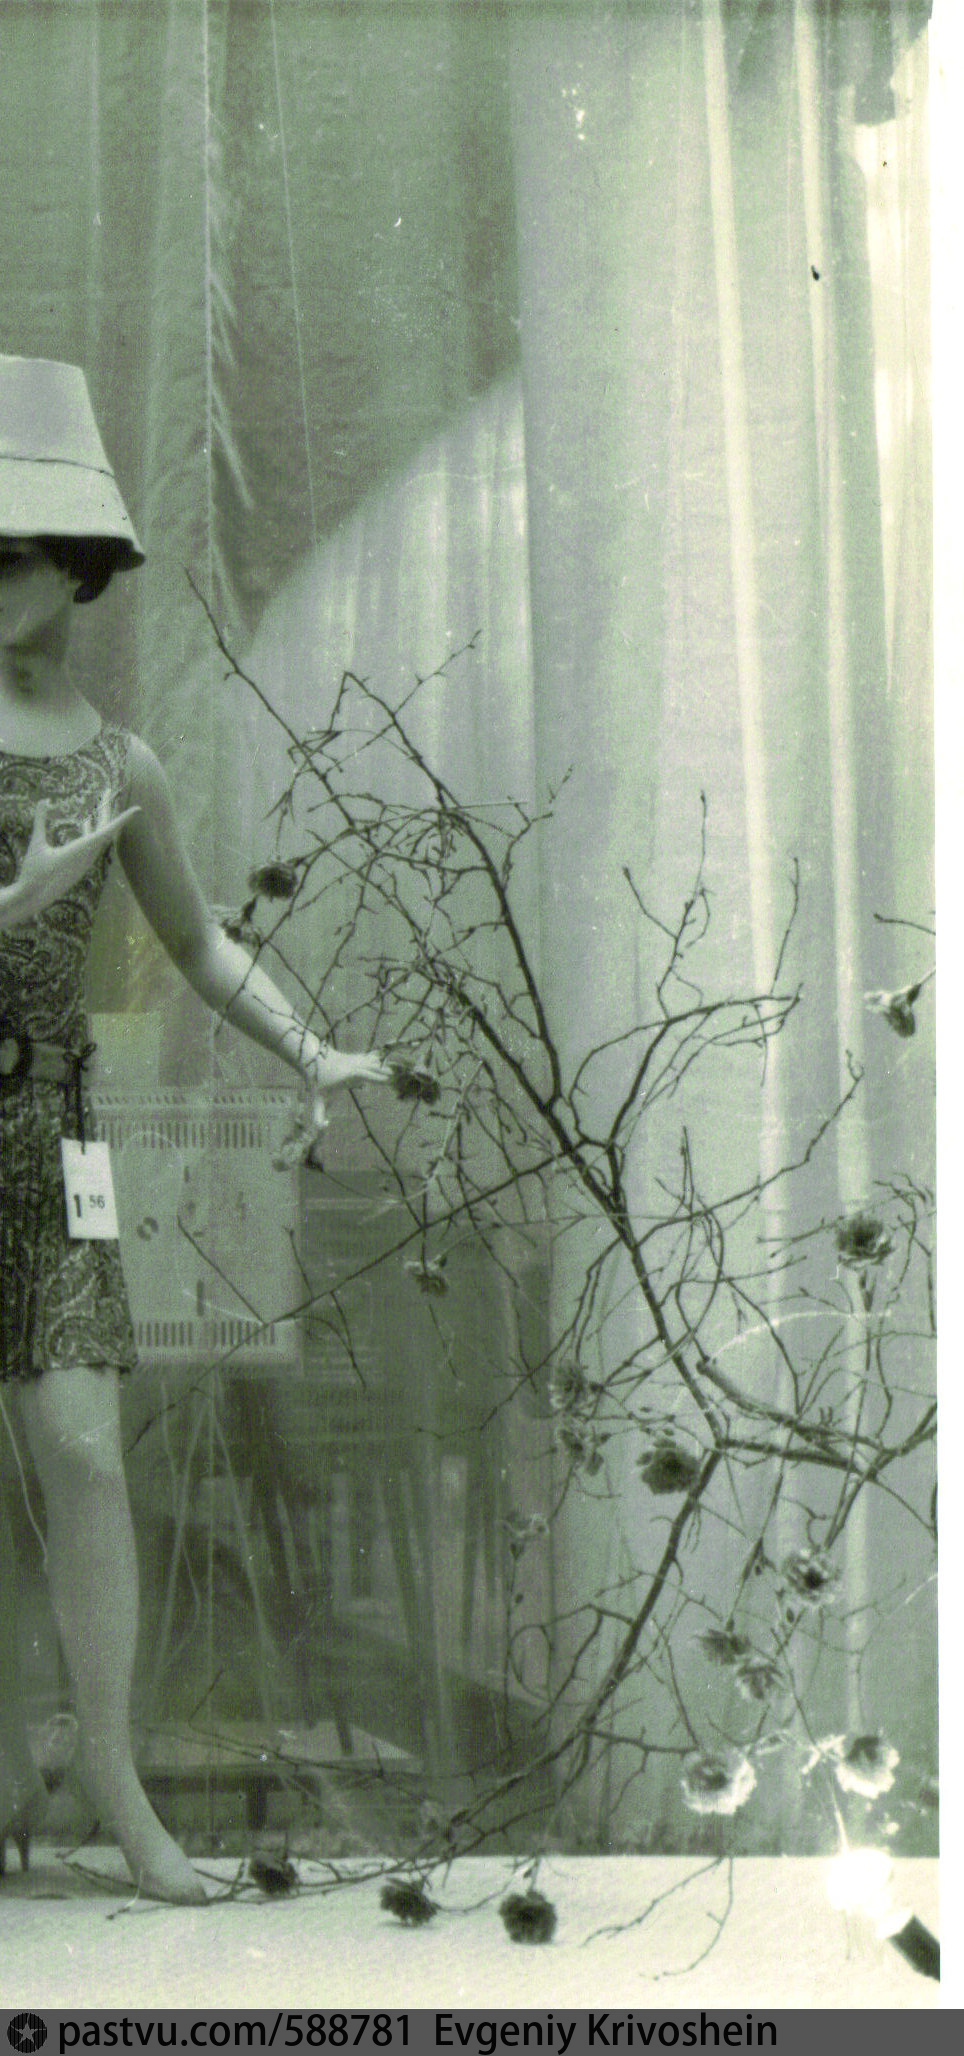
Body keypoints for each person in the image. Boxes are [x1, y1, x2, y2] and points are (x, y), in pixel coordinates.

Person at [0, 355, 392, 1904]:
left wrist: (311, 1045)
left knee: (84, 1452)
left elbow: (202, 944)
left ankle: (116, 1784)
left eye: (15, 553)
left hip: (53, 1137)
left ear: (75, 568)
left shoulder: (121, 760)